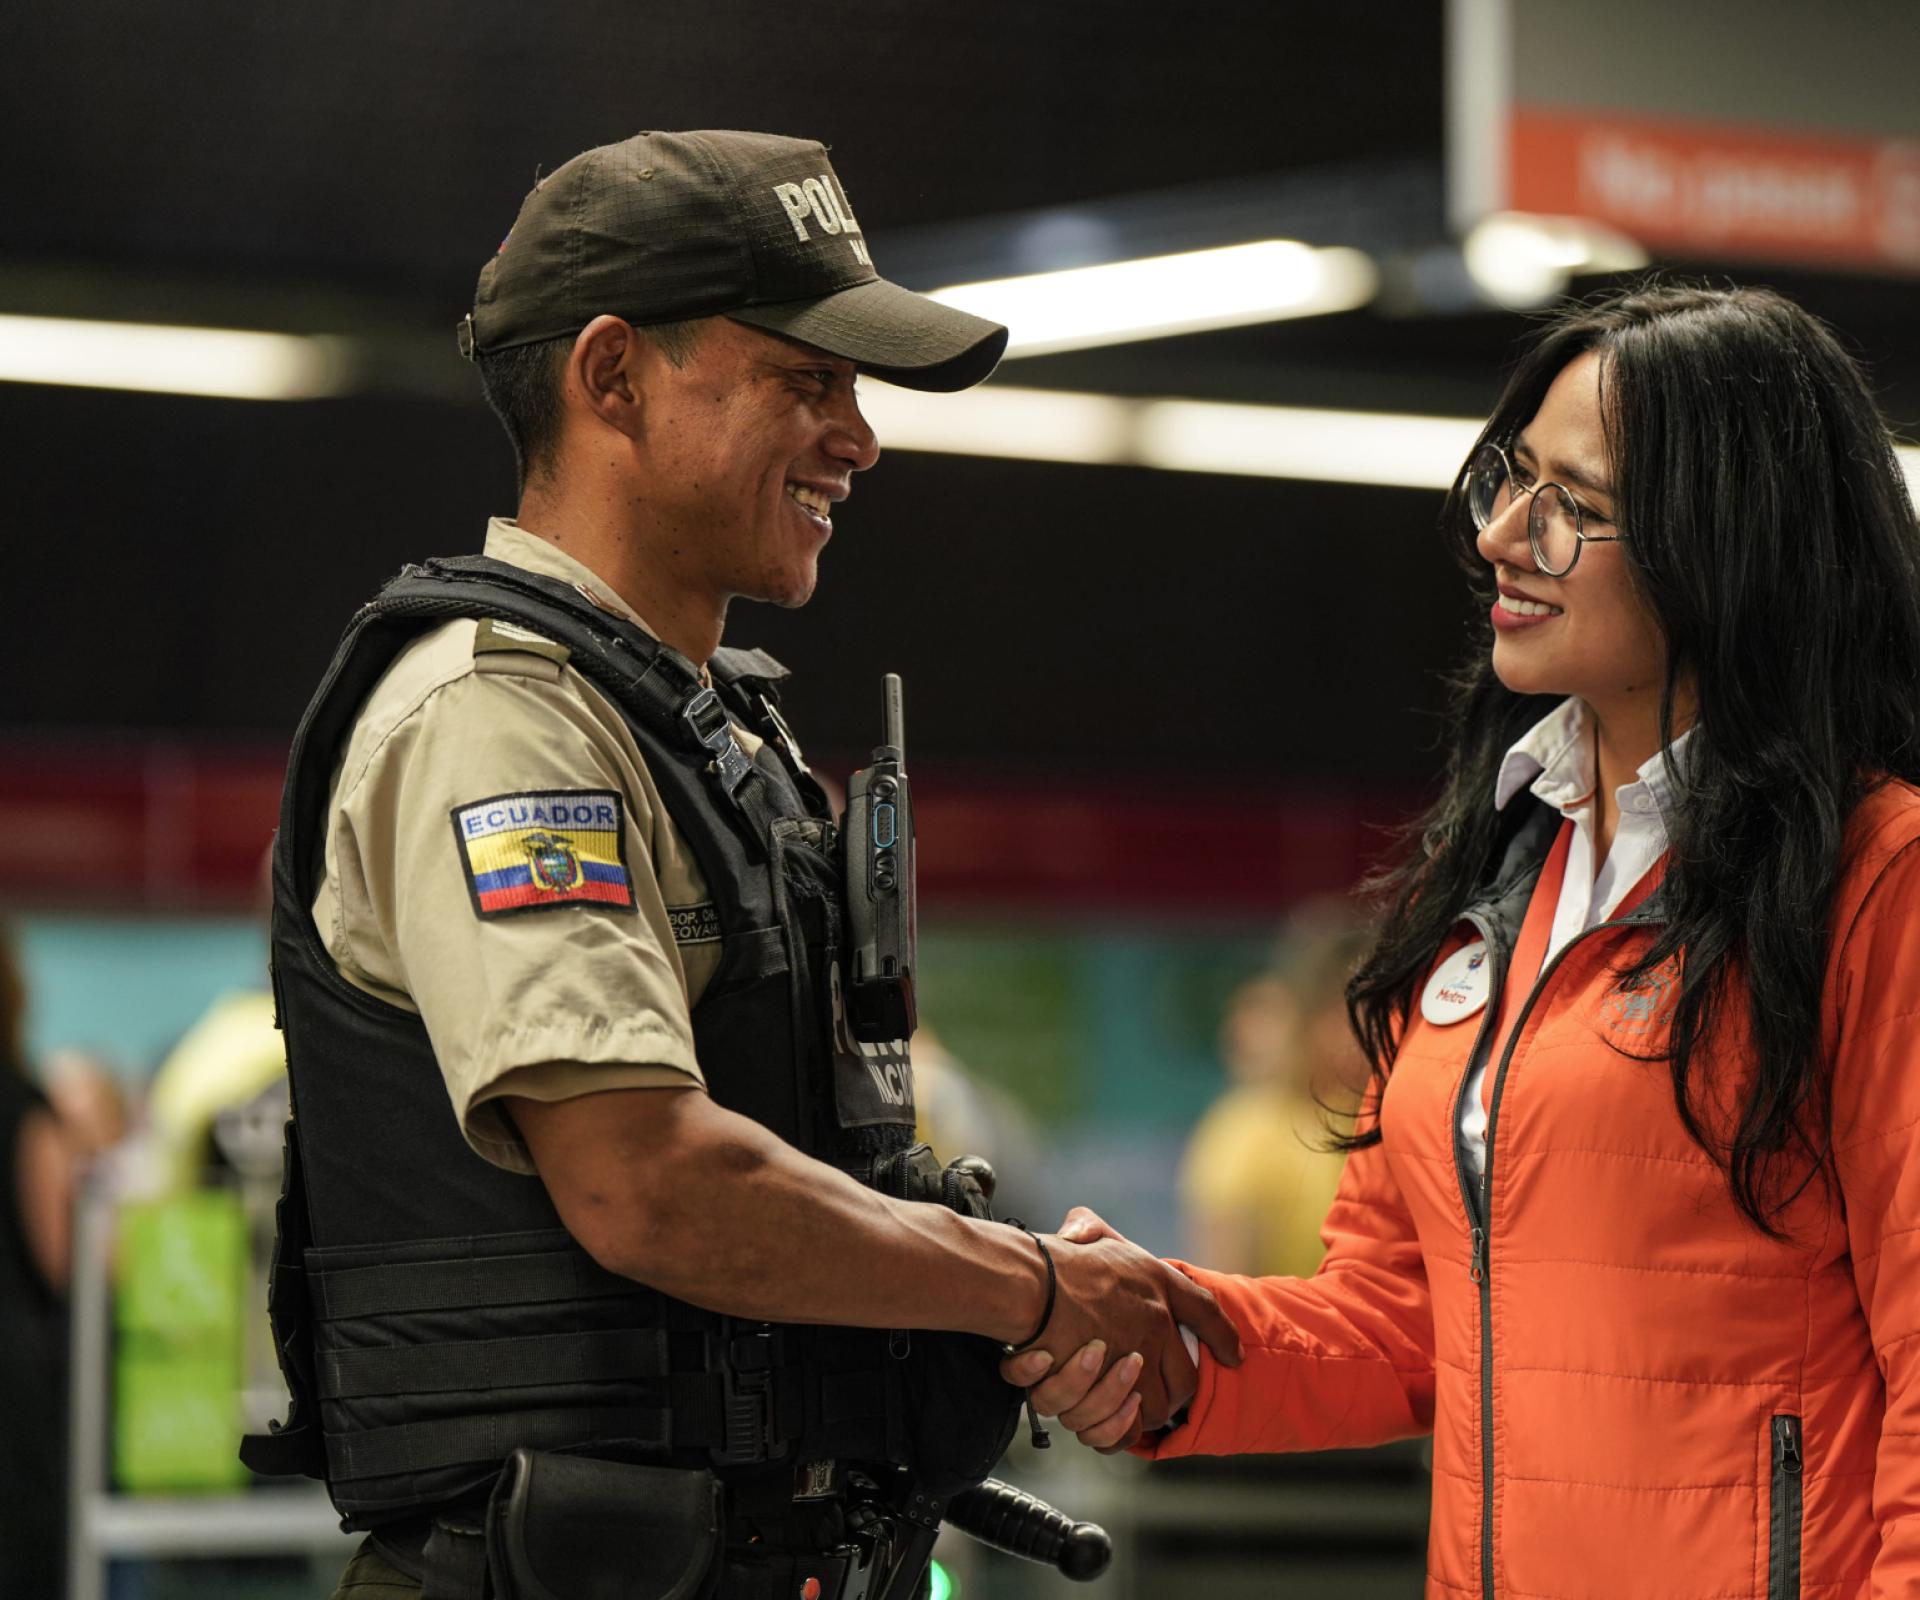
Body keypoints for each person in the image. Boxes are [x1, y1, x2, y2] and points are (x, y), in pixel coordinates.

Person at [244, 129, 1237, 1600]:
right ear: (610, 377)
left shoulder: (706, 731)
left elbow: (800, 1155)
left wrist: (988, 1272)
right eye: (805, 378)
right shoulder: (501, 717)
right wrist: (1029, 1283)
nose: (861, 437)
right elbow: (647, 1184)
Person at [1004, 281, 1920, 1597]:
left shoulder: (1881, 882)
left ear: (1724, 546)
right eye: (1509, 479)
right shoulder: (1502, 875)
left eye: (1571, 506)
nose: (1500, 534)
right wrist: (1167, 1336)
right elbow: (1405, 1316)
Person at [1178, 902, 1369, 1279]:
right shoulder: (1242, 1136)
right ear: (1310, 1016)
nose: (1362, 1029)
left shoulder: (1374, 1117)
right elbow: (1225, 1295)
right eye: (1346, 1010)